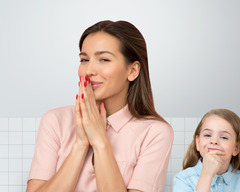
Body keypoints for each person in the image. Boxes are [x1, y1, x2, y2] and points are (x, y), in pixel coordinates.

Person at [26, 20, 174, 192]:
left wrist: (99, 141)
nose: (89, 70)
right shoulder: (55, 120)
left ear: (132, 71)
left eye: (104, 59)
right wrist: (80, 145)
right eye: (84, 59)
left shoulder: (155, 133)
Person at [173, 109, 240, 192]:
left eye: (224, 137)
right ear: (198, 143)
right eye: (207, 135)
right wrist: (206, 175)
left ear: (236, 148)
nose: (214, 141)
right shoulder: (183, 179)